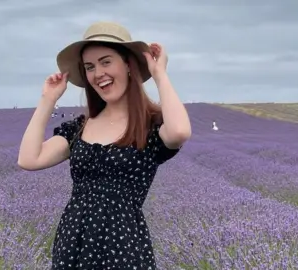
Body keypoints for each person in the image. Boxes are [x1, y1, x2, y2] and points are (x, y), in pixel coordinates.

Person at [17, 21, 191, 270]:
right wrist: (48, 99)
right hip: (72, 245)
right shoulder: (79, 129)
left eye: (106, 62)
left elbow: (180, 131)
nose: (98, 74)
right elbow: (28, 159)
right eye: (90, 67)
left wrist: (159, 75)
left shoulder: (149, 127)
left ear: (128, 65)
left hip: (123, 249)